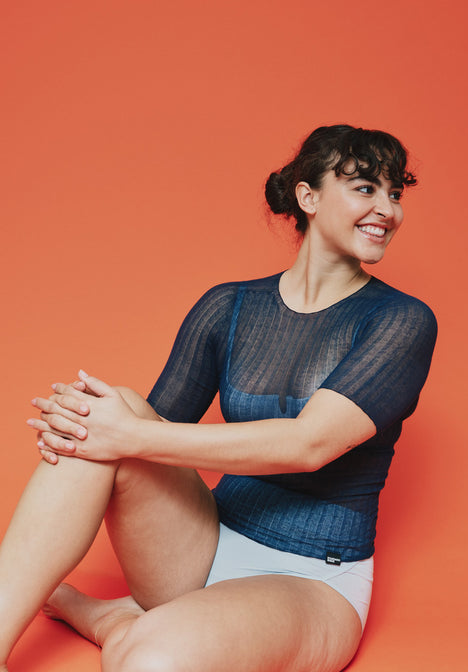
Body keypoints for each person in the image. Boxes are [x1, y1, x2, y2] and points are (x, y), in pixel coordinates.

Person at [0, 124, 437, 672]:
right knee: (100, 415)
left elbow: (310, 445)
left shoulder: (401, 321)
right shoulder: (228, 307)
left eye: (395, 193)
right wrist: (93, 422)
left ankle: (107, 618)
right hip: (200, 545)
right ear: (308, 197)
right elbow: (149, 438)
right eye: (366, 188)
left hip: (310, 579)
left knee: (148, 661)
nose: (388, 209)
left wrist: (127, 433)